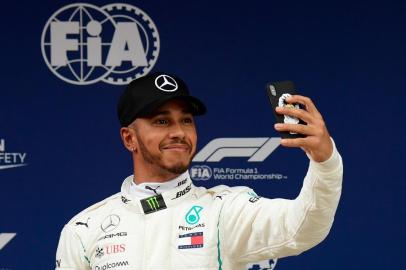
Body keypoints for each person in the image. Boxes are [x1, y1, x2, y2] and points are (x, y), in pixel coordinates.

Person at [55, 72, 343, 270]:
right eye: (162, 122)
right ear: (129, 138)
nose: (179, 132)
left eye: (187, 121)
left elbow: (304, 227)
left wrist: (325, 160)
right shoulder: (84, 229)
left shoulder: (224, 211)